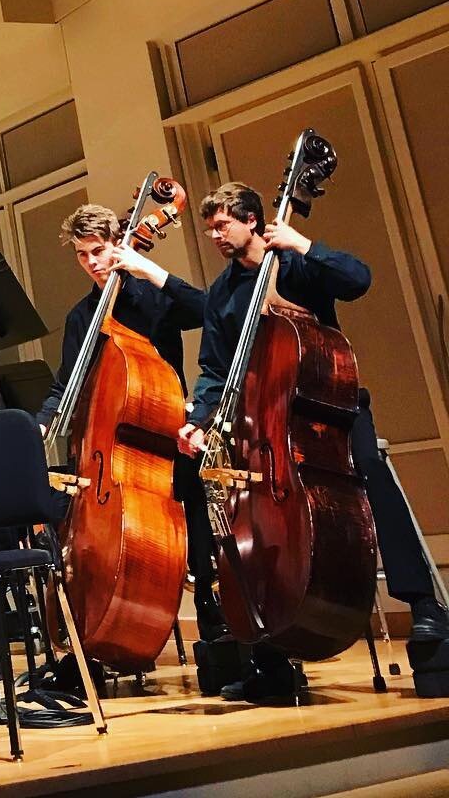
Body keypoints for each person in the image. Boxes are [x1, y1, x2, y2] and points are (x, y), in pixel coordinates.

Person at [180, 183, 449, 700]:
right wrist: (200, 416)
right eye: (210, 227)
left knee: (377, 488)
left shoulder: (296, 267)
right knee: (253, 517)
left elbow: (358, 279)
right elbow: (216, 368)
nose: (215, 234)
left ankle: (425, 609)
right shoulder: (220, 294)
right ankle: (271, 645)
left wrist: (304, 244)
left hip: (332, 408)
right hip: (267, 422)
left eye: (223, 225)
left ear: (254, 220)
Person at [38, 201, 222, 650]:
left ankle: (216, 637)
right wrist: (43, 422)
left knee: (198, 539)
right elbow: (68, 383)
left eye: (98, 250)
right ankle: (105, 635)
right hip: (109, 453)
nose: (93, 262)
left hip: (168, 437)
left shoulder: (153, 296)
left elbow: (208, 311)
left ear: (117, 244)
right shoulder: (82, 316)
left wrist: (148, 268)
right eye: (83, 255)